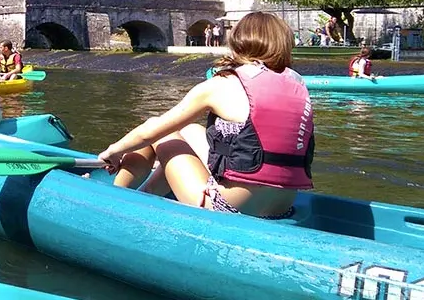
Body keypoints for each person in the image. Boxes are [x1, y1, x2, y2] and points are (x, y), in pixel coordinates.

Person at [97, 11, 314, 220]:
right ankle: (146, 195)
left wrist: (114, 151)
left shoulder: (221, 85)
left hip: (228, 208)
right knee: (190, 130)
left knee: (158, 131)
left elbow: (149, 133)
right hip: (282, 207)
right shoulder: (298, 85)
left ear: (238, 42)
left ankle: (114, 199)